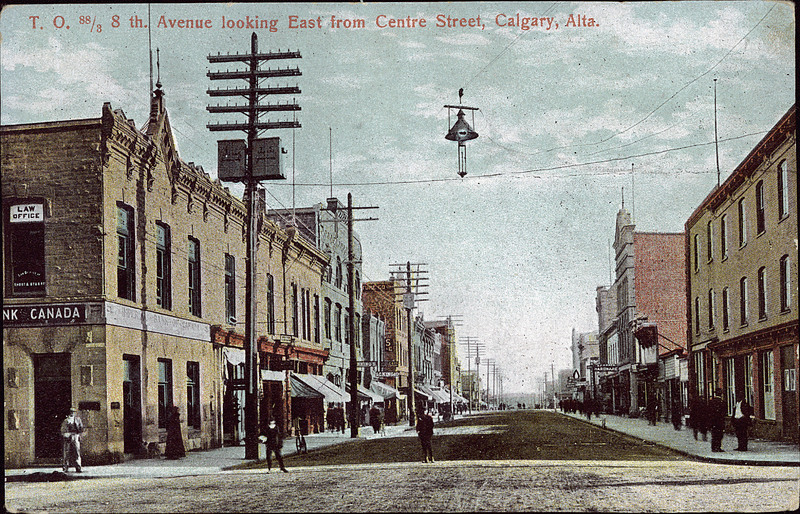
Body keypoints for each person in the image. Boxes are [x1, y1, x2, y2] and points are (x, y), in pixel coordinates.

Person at [60, 407, 84, 472]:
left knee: (77, 452)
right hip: (68, 437)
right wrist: (66, 435)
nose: (72, 413)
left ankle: (78, 467)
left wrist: (79, 435)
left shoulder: (78, 420)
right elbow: (63, 430)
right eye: (71, 412)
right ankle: (65, 467)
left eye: (73, 412)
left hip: (75, 436)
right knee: (66, 453)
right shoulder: (66, 421)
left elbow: (81, 428)